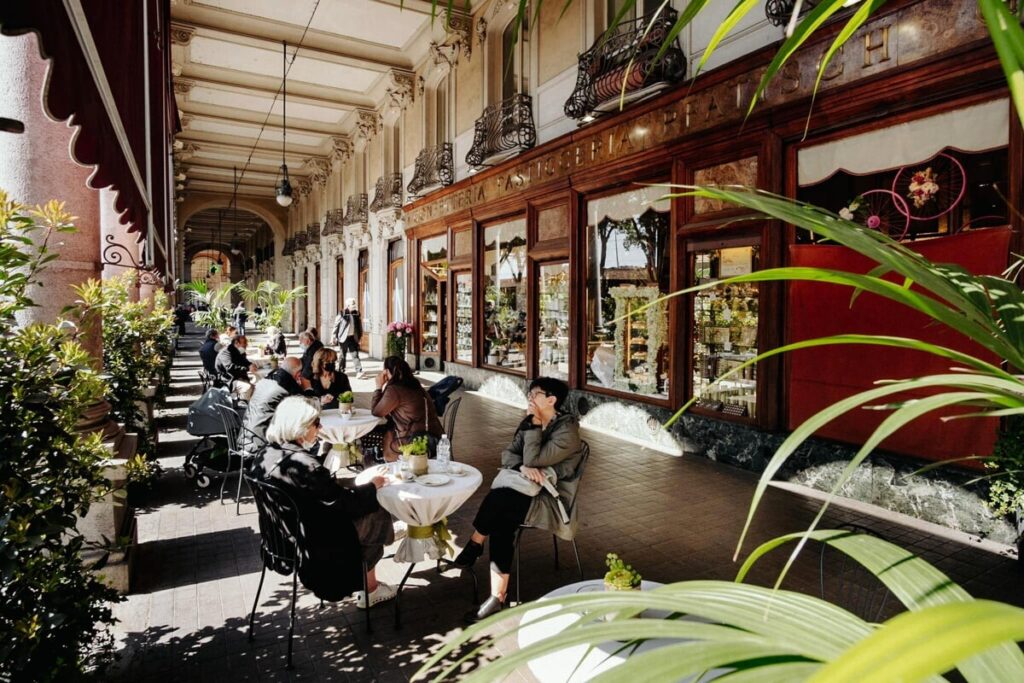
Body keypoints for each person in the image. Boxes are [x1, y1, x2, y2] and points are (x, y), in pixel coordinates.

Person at [453, 377, 584, 623]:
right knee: (503, 515)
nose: (530, 398)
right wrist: (522, 467)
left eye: (535, 394)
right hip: (523, 490)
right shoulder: (528, 423)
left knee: (501, 502)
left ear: (551, 400)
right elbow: (507, 454)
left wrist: (534, 426)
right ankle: (496, 597)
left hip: (549, 498)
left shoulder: (567, 431)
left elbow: (534, 459)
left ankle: (476, 544)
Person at [252, 396, 396, 605]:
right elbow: (345, 504)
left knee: (359, 495)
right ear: (299, 427)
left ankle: (386, 538)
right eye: (316, 423)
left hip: (278, 537)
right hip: (315, 542)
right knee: (376, 514)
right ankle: (370, 589)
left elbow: (325, 494)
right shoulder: (304, 466)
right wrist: (373, 485)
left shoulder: (264, 454)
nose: (320, 429)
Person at [369, 356, 442, 462]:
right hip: (432, 435)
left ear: (388, 372)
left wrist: (378, 387)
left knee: (372, 434)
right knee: (385, 428)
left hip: (410, 439)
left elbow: (377, 412)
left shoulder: (395, 390)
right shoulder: (415, 385)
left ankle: (386, 463)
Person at [241, 356, 313, 455]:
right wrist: (308, 388)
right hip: (262, 443)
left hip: (245, 435)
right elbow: (309, 408)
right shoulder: (288, 384)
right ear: (298, 374)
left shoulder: (269, 376)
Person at [215, 334, 257, 401]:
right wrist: (247, 368)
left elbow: (244, 361)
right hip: (227, 380)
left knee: (256, 388)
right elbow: (229, 367)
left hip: (238, 377)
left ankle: (249, 404)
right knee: (248, 387)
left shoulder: (237, 351)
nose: (246, 345)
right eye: (244, 343)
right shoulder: (225, 352)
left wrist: (250, 365)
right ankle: (243, 404)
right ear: (236, 343)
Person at [332, 298, 365, 379]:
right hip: (343, 338)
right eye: (352, 305)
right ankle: (341, 371)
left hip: (353, 338)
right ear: (347, 306)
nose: (354, 306)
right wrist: (333, 337)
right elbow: (336, 325)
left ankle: (359, 371)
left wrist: (360, 337)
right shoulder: (342, 313)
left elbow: (359, 326)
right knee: (343, 355)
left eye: (354, 305)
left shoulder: (356, 313)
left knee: (355, 355)